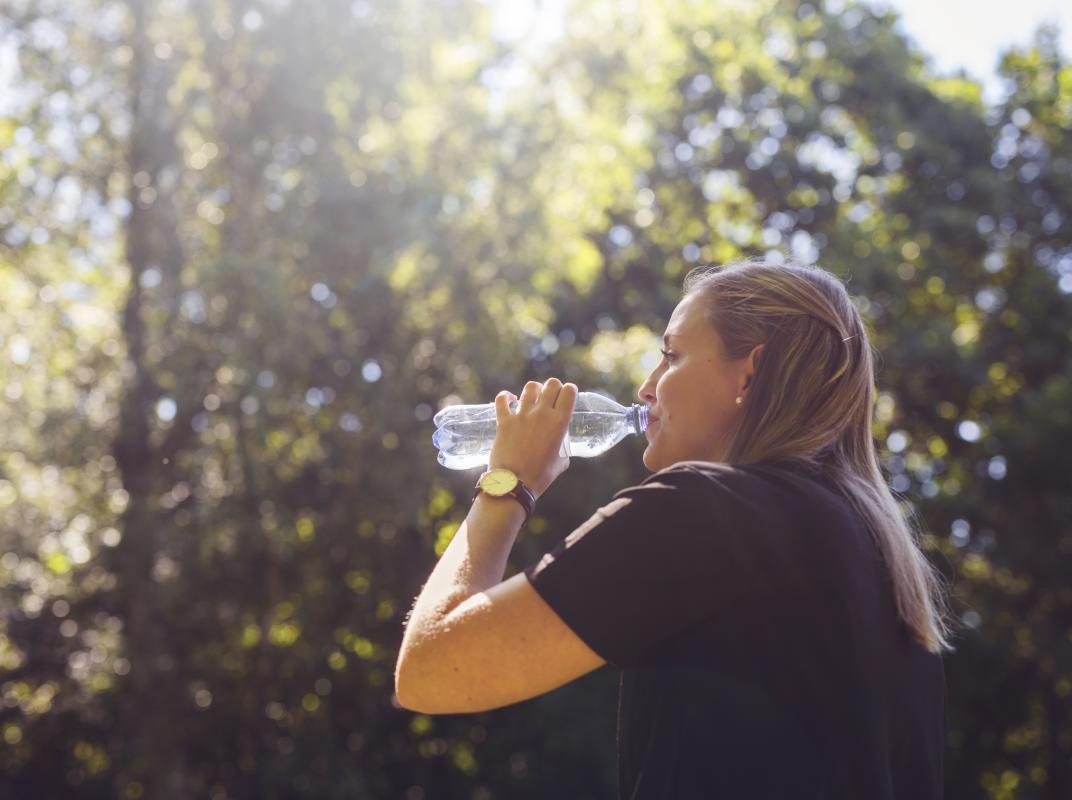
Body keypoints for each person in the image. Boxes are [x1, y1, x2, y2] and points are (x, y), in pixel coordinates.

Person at [396, 259, 957, 799]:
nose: (646, 387)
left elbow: (429, 670)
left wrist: (509, 482)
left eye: (671, 357)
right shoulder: (889, 570)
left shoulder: (706, 512)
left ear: (750, 372)